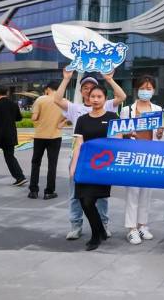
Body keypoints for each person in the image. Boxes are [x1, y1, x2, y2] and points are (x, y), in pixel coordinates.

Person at [54, 68, 126, 240]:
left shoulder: (106, 107)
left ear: (101, 95)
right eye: (85, 88)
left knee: (101, 196)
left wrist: (109, 79)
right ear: (81, 91)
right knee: (75, 194)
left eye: (92, 88)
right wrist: (66, 79)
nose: (89, 92)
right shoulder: (75, 109)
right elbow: (56, 99)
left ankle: (103, 224)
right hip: (80, 157)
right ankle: (76, 225)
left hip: (102, 160)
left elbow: (122, 96)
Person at [69, 85, 118, 251]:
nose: (95, 100)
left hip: (103, 166)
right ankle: (100, 231)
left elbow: (117, 140)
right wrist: (73, 167)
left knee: (90, 201)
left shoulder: (112, 117)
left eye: (99, 96)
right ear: (88, 98)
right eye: (93, 96)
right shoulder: (82, 119)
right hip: (85, 165)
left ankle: (96, 236)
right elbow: (78, 144)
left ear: (105, 99)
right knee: (83, 201)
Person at [118, 74, 164, 245]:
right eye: (142, 88)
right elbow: (120, 133)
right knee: (133, 192)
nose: (145, 91)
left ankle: (143, 225)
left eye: (149, 88)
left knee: (146, 192)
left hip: (150, 155)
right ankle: (131, 228)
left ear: (153, 90)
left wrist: (160, 132)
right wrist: (127, 133)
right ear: (137, 90)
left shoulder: (157, 109)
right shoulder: (127, 110)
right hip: (133, 155)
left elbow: (158, 133)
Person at [28, 81, 66, 199]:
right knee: (52, 165)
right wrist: (61, 122)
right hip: (55, 137)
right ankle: (49, 192)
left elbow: (34, 117)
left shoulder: (40, 99)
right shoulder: (63, 101)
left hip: (39, 136)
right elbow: (69, 116)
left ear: (48, 89)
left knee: (36, 163)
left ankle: (33, 191)